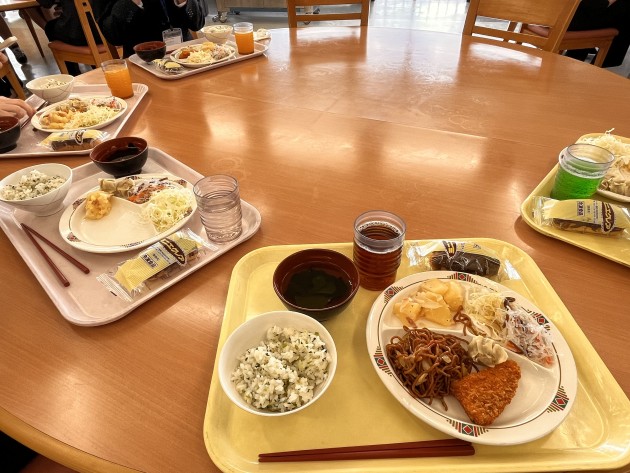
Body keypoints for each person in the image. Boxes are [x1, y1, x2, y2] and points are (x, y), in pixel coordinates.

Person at [92, 0, 207, 58]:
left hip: (187, 56)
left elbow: (197, 24)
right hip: (143, 61)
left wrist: (183, 1)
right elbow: (114, 36)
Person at [23, 0, 101, 75]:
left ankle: (73, 74)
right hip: (103, 28)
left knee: (50, 28)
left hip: (79, 33)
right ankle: (97, 67)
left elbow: (46, 3)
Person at [565, 0, 630, 68]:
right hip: (573, 19)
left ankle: (574, 59)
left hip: (565, 15)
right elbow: (597, 6)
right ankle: (603, 65)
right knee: (625, 8)